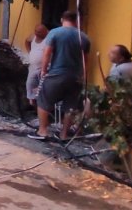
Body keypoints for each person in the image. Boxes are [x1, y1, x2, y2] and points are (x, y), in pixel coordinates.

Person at [29, 11, 90, 141]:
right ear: (76, 21)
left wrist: (44, 70)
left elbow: (47, 53)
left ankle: (43, 131)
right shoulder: (84, 37)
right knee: (71, 105)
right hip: (75, 76)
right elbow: (85, 60)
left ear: (62, 19)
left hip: (57, 73)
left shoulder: (55, 33)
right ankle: (64, 134)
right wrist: (83, 77)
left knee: (43, 99)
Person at [24, 24, 49, 106]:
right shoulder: (33, 36)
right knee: (30, 85)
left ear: (45, 32)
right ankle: (32, 104)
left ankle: (41, 106)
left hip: (44, 68)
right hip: (33, 68)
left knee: (41, 87)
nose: (36, 33)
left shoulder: (49, 39)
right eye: (36, 31)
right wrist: (30, 52)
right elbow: (27, 41)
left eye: (39, 32)